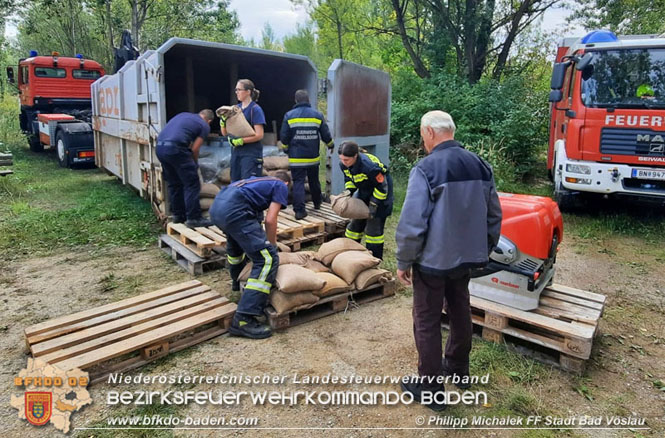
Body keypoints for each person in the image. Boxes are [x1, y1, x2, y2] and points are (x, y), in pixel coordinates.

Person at [395, 111, 502, 411]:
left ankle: (430, 389)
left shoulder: (426, 168)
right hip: (467, 259)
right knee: (459, 309)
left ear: (429, 132)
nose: (422, 140)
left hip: (433, 262)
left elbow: (412, 223)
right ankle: (457, 368)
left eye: (421, 134)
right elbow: (494, 214)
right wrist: (485, 247)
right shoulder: (480, 164)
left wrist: (405, 260)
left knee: (426, 320)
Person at [209, 172, 291, 339]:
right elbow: (270, 220)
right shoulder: (280, 185)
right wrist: (272, 245)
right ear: (287, 183)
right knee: (267, 258)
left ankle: (236, 282)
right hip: (235, 210)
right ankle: (244, 318)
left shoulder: (255, 181)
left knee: (237, 248)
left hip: (218, 207)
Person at [280, 89, 334, 220]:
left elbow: (284, 136)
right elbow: (325, 134)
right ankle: (317, 203)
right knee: (314, 180)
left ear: (296, 100)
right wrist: (330, 145)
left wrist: (286, 148)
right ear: (308, 100)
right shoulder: (317, 115)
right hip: (312, 157)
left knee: (298, 182)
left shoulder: (289, 115)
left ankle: (299, 211)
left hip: (296, 158)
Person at [156, 109, 214, 227]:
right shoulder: (204, 125)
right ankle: (194, 218)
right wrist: (195, 164)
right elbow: (195, 149)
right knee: (192, 184)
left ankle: (178, 215)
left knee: (174, 183)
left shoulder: (183, 115)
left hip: (160, 148)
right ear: (209, 121)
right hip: (175, 149)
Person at [337, 141, 393, 259]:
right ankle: (350, 254)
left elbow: (382, 187)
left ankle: (374, 259)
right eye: (341, 159)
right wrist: (348, 192)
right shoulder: (344, 165)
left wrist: (373, 205)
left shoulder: (369, 166)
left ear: (355, 156)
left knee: (373, 230)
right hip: (364, 191)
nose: (343, 162)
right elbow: (349, 179)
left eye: (346, 160)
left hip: (381, 194)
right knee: (354, 226)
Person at [220, 79, 266, 182]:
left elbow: (259, 135)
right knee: (235, 184)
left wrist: (241, 141)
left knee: (248, 185)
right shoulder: (235, 109)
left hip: (251, 153)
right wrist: (223, 122)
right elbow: (225, 133)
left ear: (248, 92)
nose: (236, 92)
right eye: (236, 90)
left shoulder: (255, 109)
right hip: (236, 153)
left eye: (239, 89)